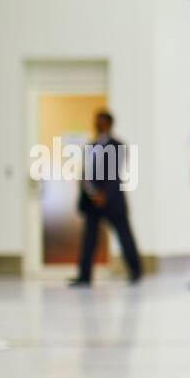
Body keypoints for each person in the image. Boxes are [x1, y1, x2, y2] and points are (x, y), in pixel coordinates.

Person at [71, 110, 142, 287]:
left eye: (100, 121)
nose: (96, 124)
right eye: (95, 121)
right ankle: (84, 275)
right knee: (89, 239)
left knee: (124, 235)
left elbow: (115, 173)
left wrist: (105, 195)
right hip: (92, 200)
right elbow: (87, 171)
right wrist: (88, 192)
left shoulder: (117, 145)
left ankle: (135, 271)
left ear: (108, 124)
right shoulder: (91, 146)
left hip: (112, 200)